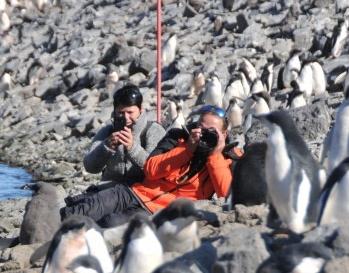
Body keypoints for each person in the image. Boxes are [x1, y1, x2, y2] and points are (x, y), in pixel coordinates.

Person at [61, 105, 239, 227]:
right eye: (201, 128)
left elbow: (228, 195)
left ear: (224, 134)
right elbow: (150, 170)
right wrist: (187, 150)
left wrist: (215, 156)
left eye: (211, 132)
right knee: (82, 211)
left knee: (109, 224)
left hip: (160, 211)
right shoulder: (178, 137)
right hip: (135, 192)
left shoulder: (229, 157)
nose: (204, 135)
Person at [82, 84, 166, 185]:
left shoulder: (154, 131)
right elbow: (90, 167)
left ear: (141, 109)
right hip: (108, 189)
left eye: (130, 112)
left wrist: (132, 148)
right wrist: (106, 147)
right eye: (121, 113)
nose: (126, 118)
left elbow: (157, 169)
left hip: (142, 191)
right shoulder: (107, 131)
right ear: (115, 111)